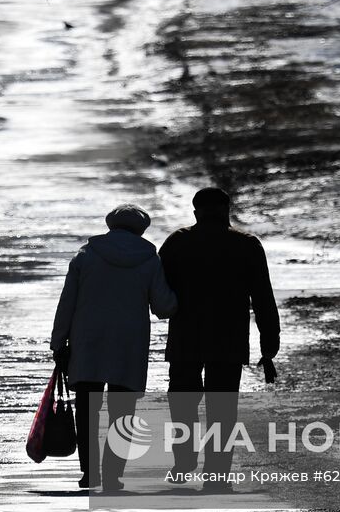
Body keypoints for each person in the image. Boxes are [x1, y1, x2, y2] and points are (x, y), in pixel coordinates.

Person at [50, 205, 177, 491]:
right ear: (141, 229)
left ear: (110, 225)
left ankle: (89, 473)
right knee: (123, 412)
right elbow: (164, 307)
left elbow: (67, 302)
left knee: (86, 410)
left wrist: (59, 341)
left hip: (88, 341)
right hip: (128, 344)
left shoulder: (86, 255)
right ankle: (112, 474)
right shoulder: (149, 260)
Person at [160, 187, 279, 491]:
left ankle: (184, 462)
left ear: (196, 211)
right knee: (222, 409)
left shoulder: (177, 242)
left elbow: (158, 291)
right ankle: (216, 473)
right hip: (228, 339)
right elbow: (263, 297)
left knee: (183, 404)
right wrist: (269, 345)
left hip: (185, 337)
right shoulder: (246, 245)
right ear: (227, 210)